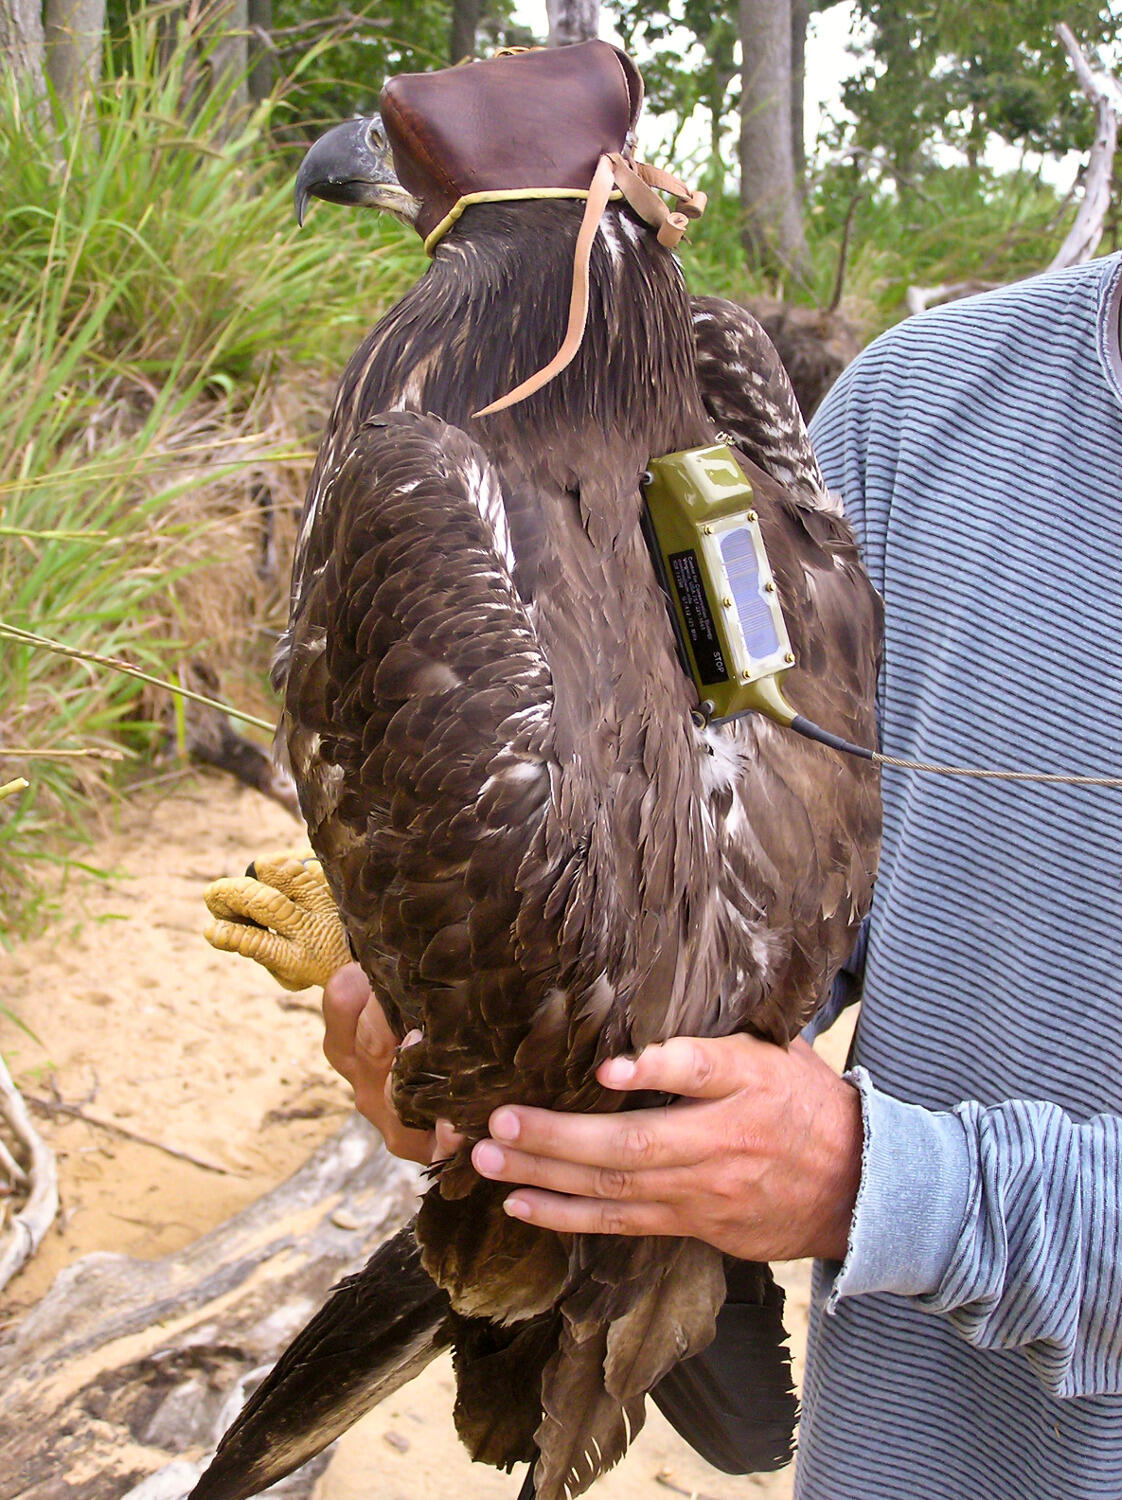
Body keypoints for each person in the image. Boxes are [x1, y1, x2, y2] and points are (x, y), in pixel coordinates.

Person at [322, 249, 1122, 1499]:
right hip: (903, 1457)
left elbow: (865, 1178)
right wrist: (503, 991)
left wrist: (889, 1187)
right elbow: (755, 851)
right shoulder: (919, 406)